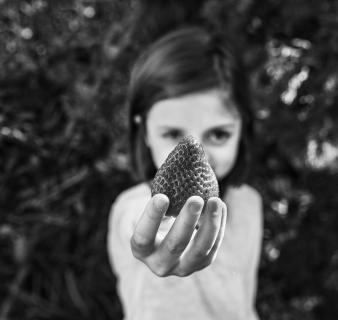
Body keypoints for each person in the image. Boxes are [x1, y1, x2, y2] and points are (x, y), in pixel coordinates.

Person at [107, 26, 263, 320]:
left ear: (242, 128)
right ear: (144, 132)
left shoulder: (249, 202)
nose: (197, 154)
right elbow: (142, 229)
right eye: (172, 133)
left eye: (218, 134)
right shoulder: (131, 209)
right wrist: (157, 243)